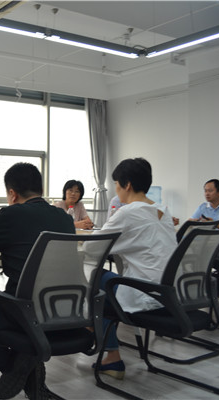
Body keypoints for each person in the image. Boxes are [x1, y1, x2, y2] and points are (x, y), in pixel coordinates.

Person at [0, 163, 74, 399]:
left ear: (12, 194)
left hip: (22, 309)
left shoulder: (11, 214)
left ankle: (17, 368)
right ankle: (28, 367)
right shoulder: (63, 216)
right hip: (64, 307)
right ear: (40, 189)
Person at [84, 158, 176, 380]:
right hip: (168, 293)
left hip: (145, 294)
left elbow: (91, 247)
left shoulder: (128, 212)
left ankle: (99, 338)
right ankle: (103, 343)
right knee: (104, 288)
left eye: (117, 184)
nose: (116, 189)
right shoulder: (162, 211)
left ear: (127, 185)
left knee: (94, 279)